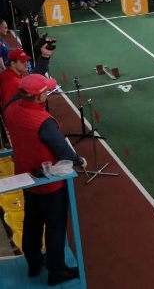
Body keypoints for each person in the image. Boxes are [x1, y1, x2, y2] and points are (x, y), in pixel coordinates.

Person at [4, 74, 87, 286]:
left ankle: (34, 263)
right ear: (39, 97)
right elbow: (62, 150)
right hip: (50, 183)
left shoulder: (11, 108)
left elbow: (16, 96)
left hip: (26, 178)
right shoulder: (44, 122)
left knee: (32, 222)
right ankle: (56, 270)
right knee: (55, 227)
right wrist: (79, 160)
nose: (47, 94)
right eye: (45, 92)